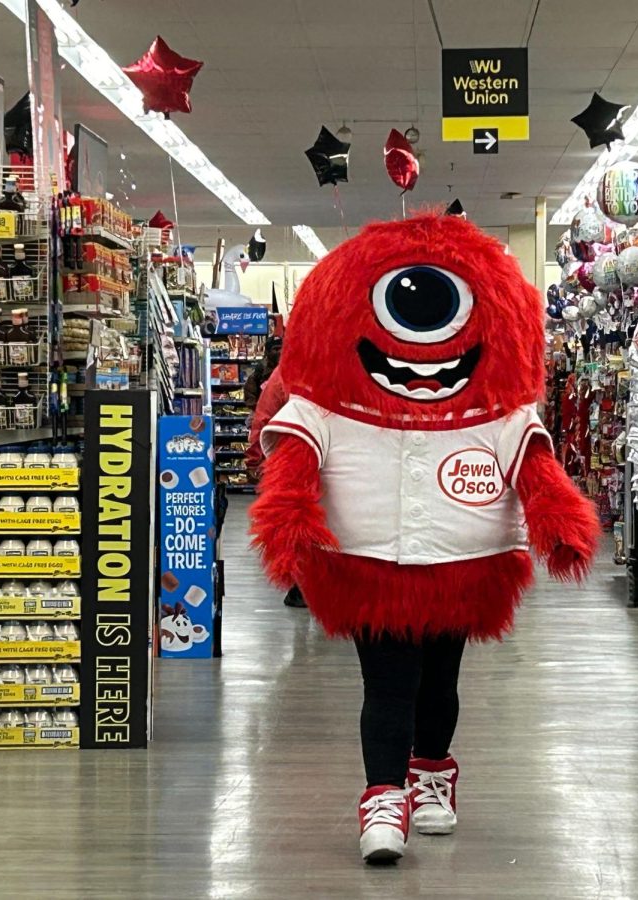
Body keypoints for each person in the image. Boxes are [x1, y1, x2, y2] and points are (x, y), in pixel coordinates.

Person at [250, 213, 597, 864]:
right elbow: (293, 458)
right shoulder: (327, 405)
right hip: (367, 561)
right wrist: (287, 519)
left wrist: (558, 518)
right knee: (386, 686)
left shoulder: (495, 412)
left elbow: (532, 462)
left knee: (439, 681)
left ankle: (432, 771)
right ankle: (383, 794)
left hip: (463, 562)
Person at [244, 342, 306, 609]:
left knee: (295, 524)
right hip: (330, 463)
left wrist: (254, 460)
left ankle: (299, 587)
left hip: (288, 463)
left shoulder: (283, 376)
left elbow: (264, 418)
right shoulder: (339, 370)